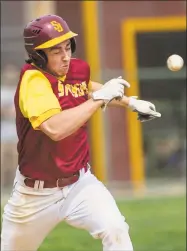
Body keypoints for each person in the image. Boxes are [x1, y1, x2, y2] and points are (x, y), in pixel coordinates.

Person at [1, 14, 161, 251]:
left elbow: (85, 87)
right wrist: (98, 99)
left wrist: (130, 102)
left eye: (68, 47)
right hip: (34, 196)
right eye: (56, 51)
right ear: (37, 55)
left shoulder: (75, 69)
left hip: (80, 184)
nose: (66, 57)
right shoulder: (33, 82)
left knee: (115, 229)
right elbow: (55, 128)